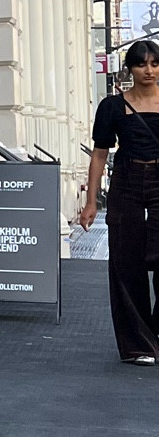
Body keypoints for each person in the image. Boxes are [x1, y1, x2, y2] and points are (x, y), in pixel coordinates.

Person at [80, 37, 159, 362]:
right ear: (129, 68)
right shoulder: (112, 107)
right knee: (126, 262)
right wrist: (91, 201)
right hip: (126, 181)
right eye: (141, 63)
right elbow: (100, 154)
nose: (149, 70)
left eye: (155, 63)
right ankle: (138, 344)